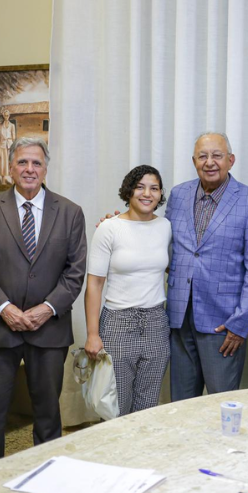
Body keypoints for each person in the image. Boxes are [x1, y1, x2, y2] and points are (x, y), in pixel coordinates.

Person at [0, 137, 87, 464]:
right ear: (10, 168)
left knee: (48, 412)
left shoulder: (71, 212)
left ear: (46, 169)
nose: (29, 169)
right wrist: (6, 309)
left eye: (36, 163)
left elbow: (75, 272)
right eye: (22, 162)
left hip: (49, 331)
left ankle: (47, 474)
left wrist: (46, 309)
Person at [166, 132, 248, 401]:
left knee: (219, 403)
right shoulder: (178, 195)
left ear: (231, 160)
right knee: (182, 403)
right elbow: (162, 245)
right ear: (194, 161)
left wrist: (240, 323)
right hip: (179, 318)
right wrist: (123, 225)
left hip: (223, 323)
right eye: (203, 156)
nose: (210, 162)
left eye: (217, 155)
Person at [85, 165, 172, 415]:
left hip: (156, 322)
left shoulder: (165, 227)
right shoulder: (109, 228)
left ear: (160, 194)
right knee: (116, 406)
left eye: (154, 188)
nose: (147, 193)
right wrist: (93, 333)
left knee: (147, 406)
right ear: (129, 191)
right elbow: (94, 284)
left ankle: (142, 454)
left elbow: (164, 267)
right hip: (118, 324)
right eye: (140, 187)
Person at [0, 108, 16, 184]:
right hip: (2, 145)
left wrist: (14, 146)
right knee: (3, 161)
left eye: (7, 115)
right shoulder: (0, 126)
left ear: (9, 116)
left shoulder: (12, 126)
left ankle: (11, 176)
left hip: (10, 144)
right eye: (5, 115)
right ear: (3, 116)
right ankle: (4, 177)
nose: (6, 117)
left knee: (10, 160)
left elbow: (14, 136)